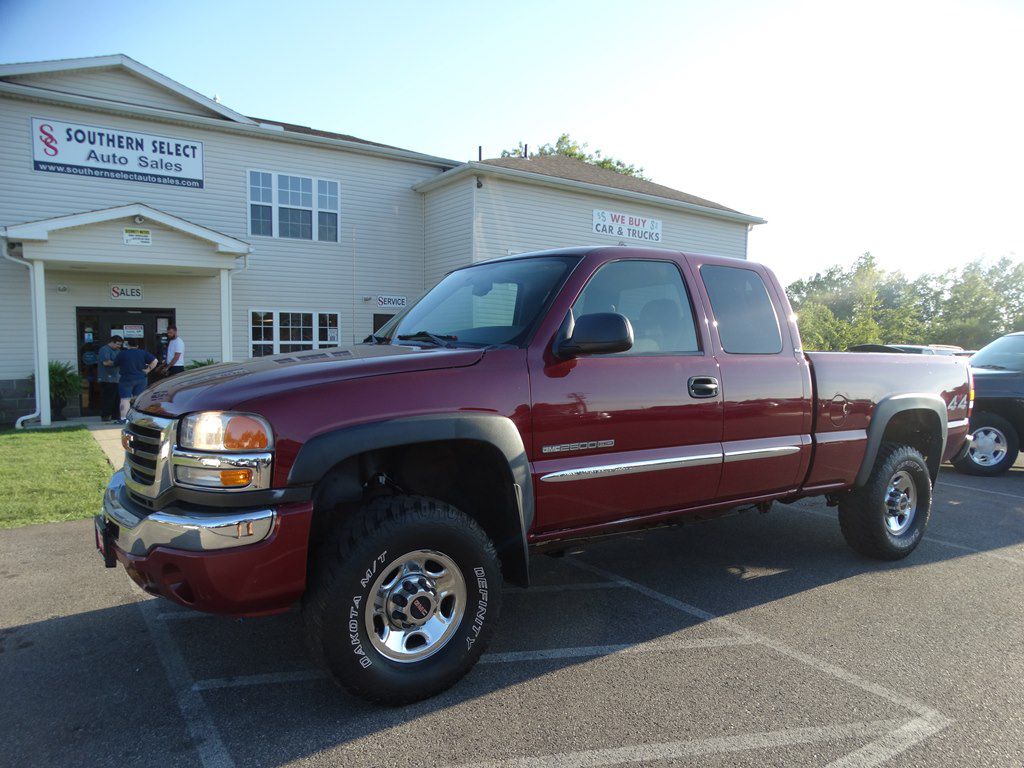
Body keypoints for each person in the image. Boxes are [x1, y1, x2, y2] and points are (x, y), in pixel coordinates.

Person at [114, 338, 157, 423]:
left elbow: (115, 363)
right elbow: (155, 360)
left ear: (128, 345)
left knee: (125, 399)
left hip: (126, 379)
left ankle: (124, 419)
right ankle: (138, 418)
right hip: (141, 378)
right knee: (138, 398)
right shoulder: (142, 352)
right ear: (137, 346)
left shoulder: (122, 353)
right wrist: (148, 370)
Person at [97, 334, 123, 422]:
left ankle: (115, 416)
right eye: (117, 344)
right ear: (112, 342)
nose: (119, 346)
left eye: (120, 345)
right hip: (107, 378)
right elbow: (106, 362)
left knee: (117, 399)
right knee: (108, 398)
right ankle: (105, 416)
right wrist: (117, 363)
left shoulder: (118, 350)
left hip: (117, 378)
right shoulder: (104, 349)